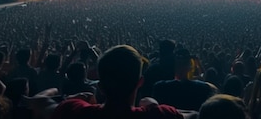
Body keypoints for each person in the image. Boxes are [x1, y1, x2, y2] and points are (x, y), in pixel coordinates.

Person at [52, 45, 183, 119]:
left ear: (100, 87)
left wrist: (70, 98)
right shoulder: (162, 115)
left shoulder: (72, 110)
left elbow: (41, 103)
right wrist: (152, 105)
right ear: (140, 82)